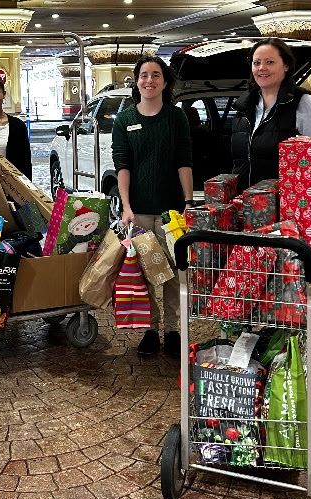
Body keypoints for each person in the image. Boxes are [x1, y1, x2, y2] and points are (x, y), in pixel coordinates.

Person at [112, 55, 194, 357]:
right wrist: (126, 206)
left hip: (171, 211)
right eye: (144, 75)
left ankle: (173, 329)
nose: (149, 80)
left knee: (172, 271)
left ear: (165, 81)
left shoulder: (176, 118)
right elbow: (123, 166)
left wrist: (187, 202)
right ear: (137, 81)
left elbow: (184, 160)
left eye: (156, 75)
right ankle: (151, 329)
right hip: (140, 211)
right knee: (145, 272)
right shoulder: (125, 120)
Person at [231, 37, 311, 222]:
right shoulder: (244, 107)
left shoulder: (303, 104)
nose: (262, 68)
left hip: (289, 213)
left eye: (270, 62)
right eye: (257, 63)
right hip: (248, 209)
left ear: (286, 65)